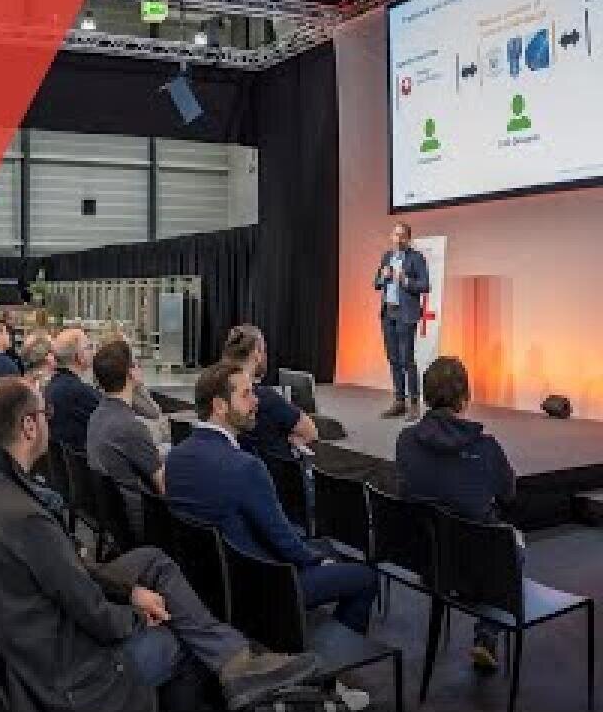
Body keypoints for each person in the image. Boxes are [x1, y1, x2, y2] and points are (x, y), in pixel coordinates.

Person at [0, 376, 319, 712]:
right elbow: (92, 611)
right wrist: (137, 616)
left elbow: (64, 573)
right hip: (71, 676)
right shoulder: (23, 517)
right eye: (45, 414)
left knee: (152, 563)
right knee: (173, 639)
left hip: (33, 647)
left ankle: (235, 661)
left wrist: (129, 592)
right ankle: (231, 669)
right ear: (28, 427)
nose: (50, 421)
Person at [165, 364, 379, 643]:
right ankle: (327, 675)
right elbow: (284, 542)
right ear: (219, 406)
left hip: (207, 580)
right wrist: (317, 561)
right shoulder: (245, 467)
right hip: (264, 584)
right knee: (364, 577)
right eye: (246, 395)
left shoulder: (176, 457)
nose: (256, 402)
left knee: (323, 548)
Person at [396, 356, 519, 673]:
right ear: (465, 399)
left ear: (425, 396)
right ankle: (486, 635)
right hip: (475, 569)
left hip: (423, 560)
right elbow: (509, 493)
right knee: (510, 543)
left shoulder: (405, 442)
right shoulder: (486, 448)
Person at [86, 339, 161, 545]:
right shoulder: (130, 427)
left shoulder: (97, 415)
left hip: (116, 520)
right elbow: (164, 486)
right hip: (142, 523)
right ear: (131, 372)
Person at [221, 324, 318, 465]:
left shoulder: (215, 391)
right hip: (269, 479)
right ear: (256, 354)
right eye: (264, 350)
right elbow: (311, 433)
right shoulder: (265, 399)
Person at [374, 221, 430, 420]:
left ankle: (414, 403)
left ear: (407, 239)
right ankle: (399, 401)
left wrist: (404, 280)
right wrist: (384, 276)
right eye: (394, 235)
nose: (397, 239)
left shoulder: (416, 258)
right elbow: (376, 283)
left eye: (401, 236)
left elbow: (425, 285)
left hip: (406, 314)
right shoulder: (387, 257)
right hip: (388, 313)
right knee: (393, 359)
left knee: (407, 360)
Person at [43, 327, 100, 453]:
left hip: (62, 466)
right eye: (89, 347)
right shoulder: (79, 392)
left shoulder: (51, 386)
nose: (93, 351)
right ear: (79, 357)